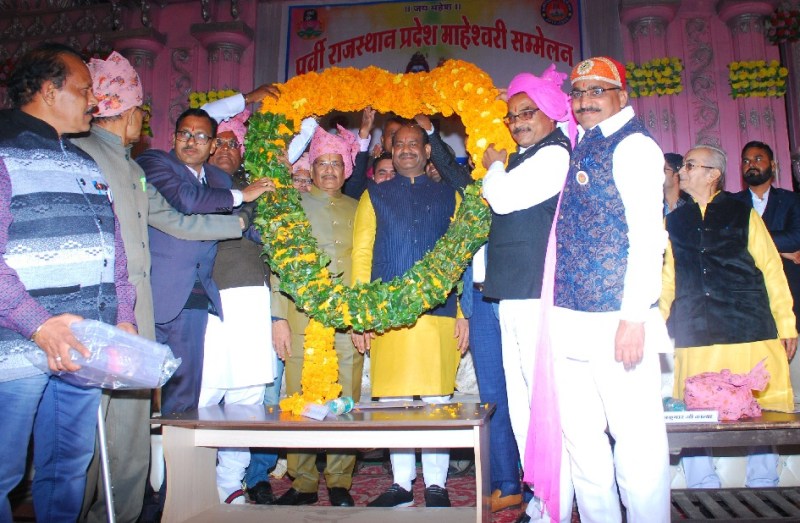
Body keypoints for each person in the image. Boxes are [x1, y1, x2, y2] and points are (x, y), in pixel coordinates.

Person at [0, 43, 136, 522]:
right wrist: (39, 326)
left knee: (68, 469)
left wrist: (123, 317)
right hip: (16, 349)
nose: (94, 101)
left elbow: (113, 249)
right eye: (84, 90)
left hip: (82, 346)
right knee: (3, 473)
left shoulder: (83, 161)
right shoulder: (3, 151)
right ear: (48, 90)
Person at [544, 56, 672, 523]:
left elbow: (648, 237)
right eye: (578, 93)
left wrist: (634, 317)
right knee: (582, 441)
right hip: (570, 319)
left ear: (622, 96)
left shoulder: (634, 146)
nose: (585, 101)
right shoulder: (584, 142)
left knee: (636, 442)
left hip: (618, 321)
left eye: (597, 91)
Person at [664, 145, 797, 488]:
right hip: (695, 330)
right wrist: (654, 327)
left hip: (748, 326)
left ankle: (764, 483)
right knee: (694, 411)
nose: (681, 172)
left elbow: (772, 270)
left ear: (713, 174)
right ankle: (701, 487)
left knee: (759, 411)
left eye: (690, 165)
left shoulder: (743, 213)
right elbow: (667, 280)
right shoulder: (674, 221)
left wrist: (786, 324)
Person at [352, 123, 469, 508]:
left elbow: (462, 257)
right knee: (393, 401)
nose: (405, 150)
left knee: (437, 400)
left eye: (414, 144)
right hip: (387, 313)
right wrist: (361, 315)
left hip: (439, 312)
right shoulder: (374, 194)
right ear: (390, 149)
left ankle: (436, 484)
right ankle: (401, 484)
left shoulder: (450, 195)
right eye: (399, 144)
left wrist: (463, 311)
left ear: (427, 150)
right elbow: (362, 255)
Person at [479, 65, 575, 522]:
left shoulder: (554, 155)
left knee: (542, 400)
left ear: (552, 114)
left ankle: (555, 505)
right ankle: (541, 499)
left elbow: (501, 198)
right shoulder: (532, 153)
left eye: (527, 113)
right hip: (515, 290)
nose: (517, 123)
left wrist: (494, 165)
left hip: (537, 292)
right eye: (512, 115)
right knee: (521, 401)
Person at [136, 108, 273, 416]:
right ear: (173, 137)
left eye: (200, 136)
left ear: (211, 145)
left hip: (198, 294)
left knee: (185, 394)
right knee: (138, 391)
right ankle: (138, 449)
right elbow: (187, 200)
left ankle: (178, 447)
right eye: (184, 134)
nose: (191, 141)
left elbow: (241, 223)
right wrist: (243, 196)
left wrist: (282, 237)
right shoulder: (154, 163)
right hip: (158, 291)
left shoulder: (219, 178)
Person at [271, 124, 364, 507]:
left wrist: (362, 319)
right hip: (301, 316)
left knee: (347, 396)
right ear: (310, 167)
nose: (328, 170)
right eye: (322, 163)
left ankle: (340, 479)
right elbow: (279, 263)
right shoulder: (293, 206)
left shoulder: (360, 208)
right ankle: (303, 481)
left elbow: (367, 264)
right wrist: (278, 318)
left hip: (346, 318)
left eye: (335, 164)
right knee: (299, 397)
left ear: (347, 170)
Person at [198, 110, 276, 505]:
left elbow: (270, 236)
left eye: (234, 143)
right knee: (206, 391)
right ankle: (192, 479)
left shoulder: (256, 186)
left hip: (253, 298)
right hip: (211, 300)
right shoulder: (195, 184)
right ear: (208, 147)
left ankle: (230, 482)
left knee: (247, 394)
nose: (227, 149)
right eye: (220, 142)